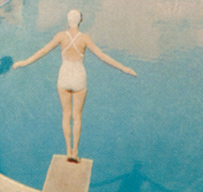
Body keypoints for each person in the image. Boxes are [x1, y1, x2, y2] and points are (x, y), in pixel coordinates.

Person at [13, 10, 136, 163]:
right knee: (77, 116)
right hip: (79, 78)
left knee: (66, 114)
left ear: (68, 20)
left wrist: (24, 62)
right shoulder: (84, 39)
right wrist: (124, 68)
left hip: (64, 76)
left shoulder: (61, 36)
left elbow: (43, 51)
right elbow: (102, 56)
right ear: (79, 21)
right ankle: (75, 152)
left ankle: (68, 151)